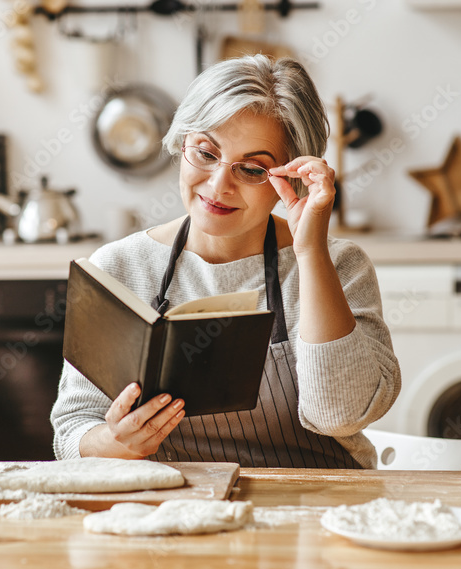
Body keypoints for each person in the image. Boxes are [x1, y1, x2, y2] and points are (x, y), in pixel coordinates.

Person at [50, 55, 401, 469]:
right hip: (178, 509)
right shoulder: (119, 267)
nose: (219, 185)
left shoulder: (341, 265)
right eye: (205, 152)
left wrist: (310, 253)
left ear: (290, 178)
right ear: (181, 143)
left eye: (252, 169)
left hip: (317, 508)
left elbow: (339, 416)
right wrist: (116, 441)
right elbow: (72, 432)